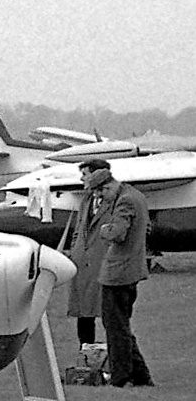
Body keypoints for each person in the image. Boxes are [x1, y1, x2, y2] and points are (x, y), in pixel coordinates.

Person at [80, 158, 155, 387]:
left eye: (101, 195)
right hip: (130, 270)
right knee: (121, 325)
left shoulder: (125, 202)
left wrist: (104, 229)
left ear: (107, 186)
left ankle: (121, 377)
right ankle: (142, 376)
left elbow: (117, 233)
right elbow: (147, 228)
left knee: (115, 328)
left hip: (119, 272)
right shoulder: (136, 196)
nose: (101, 199)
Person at [66, 160, 109, 348]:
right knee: (84, 313)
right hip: (83, 265)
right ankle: (86, 353)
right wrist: (75, 251)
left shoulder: (117, 200)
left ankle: (117, 358)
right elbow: (79, 229)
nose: (82, 178)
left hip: (105, 263)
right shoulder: (86, 200)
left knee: (111, 313)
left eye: (85, 174)